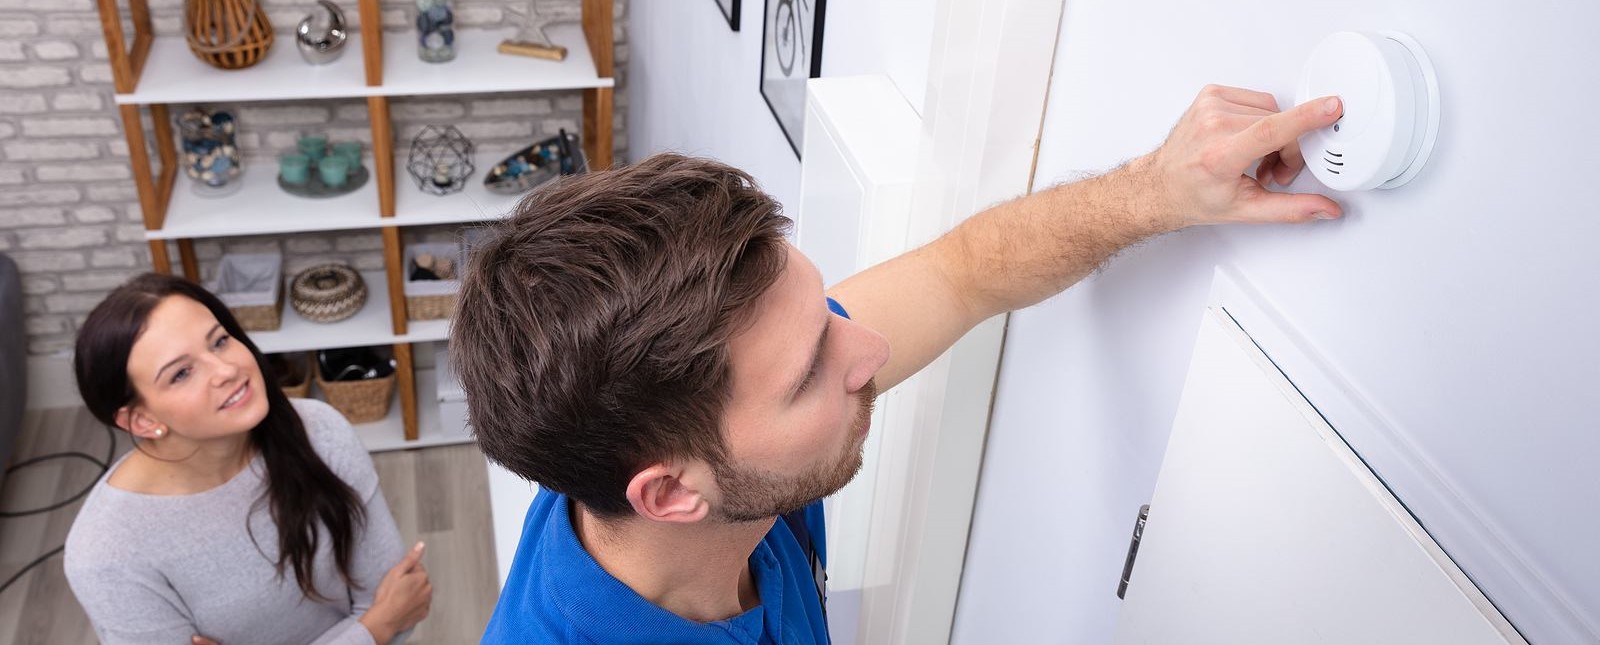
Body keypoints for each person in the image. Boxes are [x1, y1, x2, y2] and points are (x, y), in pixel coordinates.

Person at [452, 85, 1345, 643]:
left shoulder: (689, 458)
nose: (869, 348)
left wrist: (1158, 185)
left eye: (822, 309)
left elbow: (963, 273)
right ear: (671, 493)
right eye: (809, 372)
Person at [64, 274, 433, 645]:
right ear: (142, 420)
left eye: (220, 341)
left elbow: (404, 611)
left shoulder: (320, 432)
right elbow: (387, 620)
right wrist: (373, 630)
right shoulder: (106, 554)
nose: (226, 370)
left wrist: (385, 624)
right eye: (181, 373)